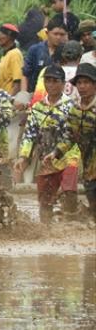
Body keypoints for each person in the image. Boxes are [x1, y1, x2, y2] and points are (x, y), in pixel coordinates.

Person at [14, 65, 79, 224]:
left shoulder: (71, 108)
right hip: (46, 159)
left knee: (69, 192)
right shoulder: (37, 108)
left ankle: (72, 226)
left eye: (55, 81)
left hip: (69, 157)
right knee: (45, 199)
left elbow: (71, 136)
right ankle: (46, 231)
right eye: (48, 81)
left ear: (63, 84)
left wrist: (57, 152)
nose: (51, 84)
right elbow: (29, 135)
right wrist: (23, 157)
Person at [48, 62, 96, 223]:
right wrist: (56, 152)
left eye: (86, 82)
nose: (82, 87)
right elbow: (69, 136)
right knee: (93, 199)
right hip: (89, 165)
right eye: (79, 83)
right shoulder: (75, 111)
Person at [24, 19, 67, 92]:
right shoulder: (35, 50)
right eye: (55, 34)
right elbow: (25, 74)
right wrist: (23, 92)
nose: (58, 37)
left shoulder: (67, 51)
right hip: (35, 92)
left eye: (62, 34)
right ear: (47, 33)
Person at [0, 24, 24, 95]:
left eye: (0, 35)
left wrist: (8, 101)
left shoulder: (15, 54)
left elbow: (17, 83)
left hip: (8, 99)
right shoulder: (6, 54)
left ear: (9, 37)